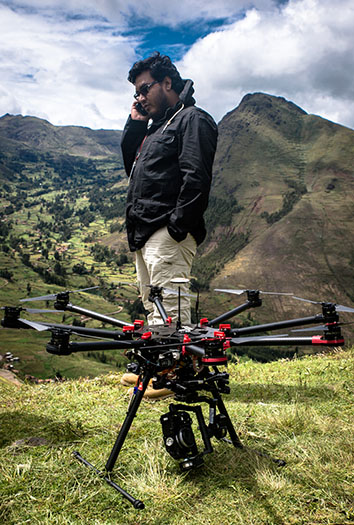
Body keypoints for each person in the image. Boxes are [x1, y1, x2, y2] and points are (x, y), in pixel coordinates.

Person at [120, 52, 218, 398]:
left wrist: (177, 226)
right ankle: (162, 369)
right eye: (136, 93)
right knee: (154, 304)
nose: (140, 97)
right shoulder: (157, 127)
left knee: (171, 304)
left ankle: (179, 374)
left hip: (166, 230)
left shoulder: (191, 119)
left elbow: (196, 178)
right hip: (145, 232)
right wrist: (135, 122)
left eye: (144, 89)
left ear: (167, 83)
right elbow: (131, 168)